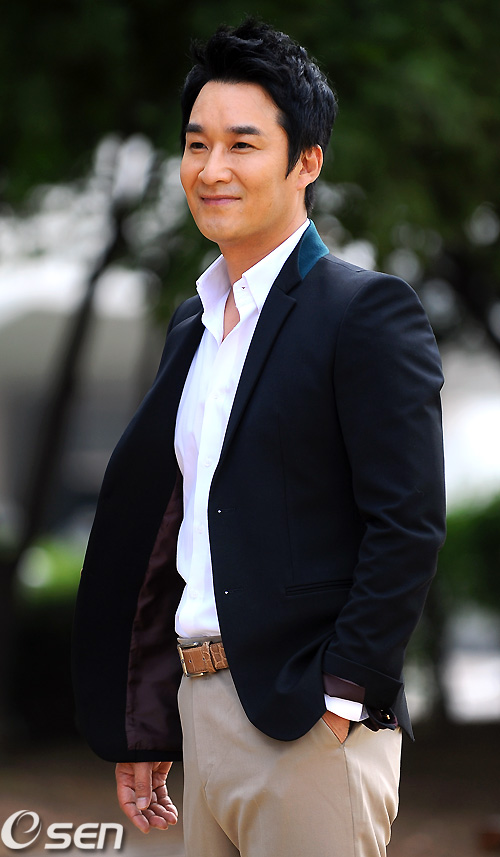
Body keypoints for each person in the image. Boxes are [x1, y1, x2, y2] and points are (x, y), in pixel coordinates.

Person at [73, 19, 446, 857]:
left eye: (242, 144)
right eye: (195, 144)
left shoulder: (365, 312)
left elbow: (409, 522)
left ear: (306, 160)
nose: (212, 169)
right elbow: (176, 531)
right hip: (198, 710)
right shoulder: (194, 325)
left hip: (307, 724)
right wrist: (149, 716)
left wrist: (342, 698)